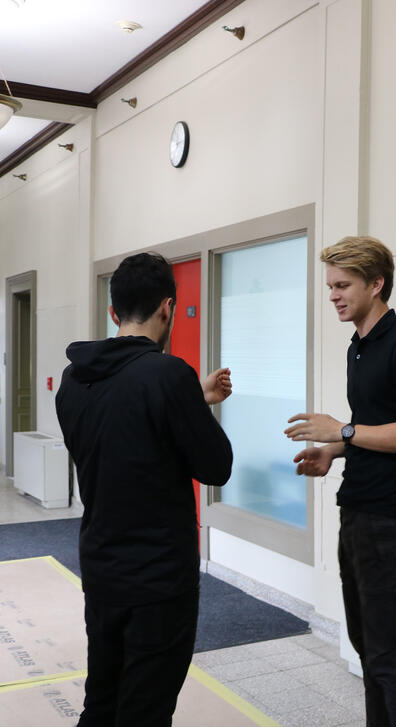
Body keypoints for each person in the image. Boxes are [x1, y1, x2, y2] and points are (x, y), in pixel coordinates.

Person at [55, 252, 233, 727]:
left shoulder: (73, 381)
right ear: (167, 309)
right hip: (159, 579)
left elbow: (125, 427)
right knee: (146, 709)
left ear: (114, 313)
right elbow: (217, 466)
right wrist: (191, 400)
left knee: (103, 700)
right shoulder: (167, 376)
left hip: (101, 567)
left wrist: (188, 397)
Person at [285, 235, 396, 727]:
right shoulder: (359, 346)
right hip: (358, 511)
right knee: (368, 649)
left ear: (376, 283)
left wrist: (343, 429)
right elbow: (376, 425)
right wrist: (333, 449)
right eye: (330, 285)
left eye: (343, 285)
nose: (333, 294)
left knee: (391, 653)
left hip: (392, 520)